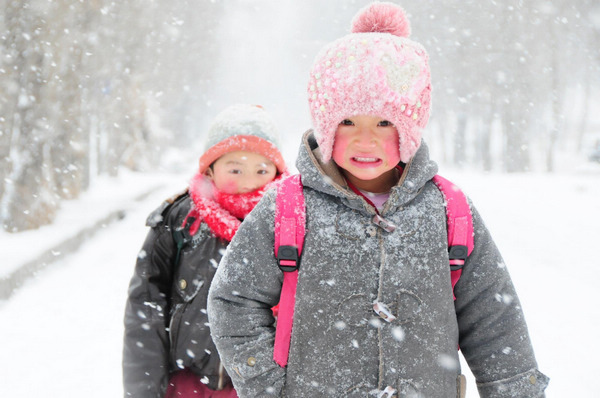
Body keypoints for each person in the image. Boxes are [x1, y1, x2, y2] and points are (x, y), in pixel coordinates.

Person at [207, 3, 549, 398]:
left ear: (410, 126)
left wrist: (513, 388)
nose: (364, 140)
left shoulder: (447, 210)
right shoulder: (288, 207)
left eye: (384, 122)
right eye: (348, 121)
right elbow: (234, 300)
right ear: (327, 125)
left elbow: (493, 317)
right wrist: (266, 385)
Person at [123, 104, 287, 398]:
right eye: (235, 168)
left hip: (267, 387)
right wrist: (144, 390)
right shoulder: (181, 220)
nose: (249, 182)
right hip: (190, 387)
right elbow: (145, 308)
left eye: (261, 170)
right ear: (210, 169)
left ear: (277, 171)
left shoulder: (293, 223)